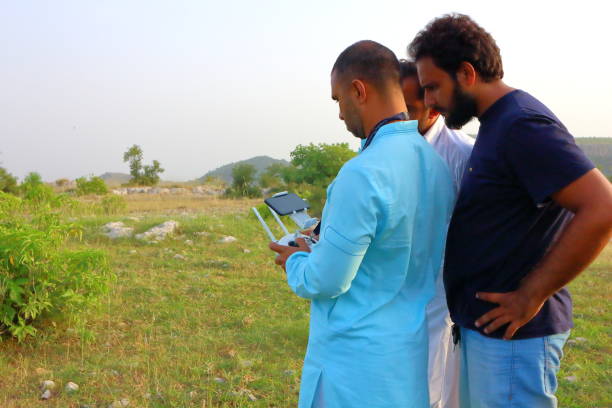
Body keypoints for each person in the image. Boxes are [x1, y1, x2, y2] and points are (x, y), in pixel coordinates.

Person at [408, 13, 612, 407]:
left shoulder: (521, 125)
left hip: (515, 336)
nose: (428, 101)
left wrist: (530, 295)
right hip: (490, 331)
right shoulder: (496, 124)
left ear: (466, 72)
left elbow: (601, 207)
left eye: (433, 87)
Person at [270, 40, 454, 408]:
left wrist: (294, 261)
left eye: (338, 100)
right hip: (405, 358)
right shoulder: (435, 165)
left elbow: (327, 280)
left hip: (353, 368)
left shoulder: (362, 172)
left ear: (358, 90)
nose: (340, 114)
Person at [400, 59, 473, 408]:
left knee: (435, 389)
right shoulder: (385, 145)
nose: (398, 118)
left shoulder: (460, 154)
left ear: (430, 103)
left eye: (409, 108)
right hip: (393, 294)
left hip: (439, 297)